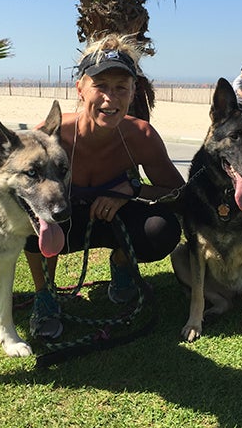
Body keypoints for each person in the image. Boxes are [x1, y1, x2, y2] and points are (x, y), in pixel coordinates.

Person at [24, 34, 185, 339]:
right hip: (63, 222)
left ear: (133, 91)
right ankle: (45, 296)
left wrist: (131, 189)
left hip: (112, 220)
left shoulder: (141, 136)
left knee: (161, 229)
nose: (110, 99)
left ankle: (121, 267)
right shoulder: (50, 136)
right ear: (80, 89)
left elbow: (176, 192)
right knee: (34, 217)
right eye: (100, 87)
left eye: (121, 88)